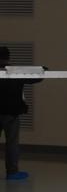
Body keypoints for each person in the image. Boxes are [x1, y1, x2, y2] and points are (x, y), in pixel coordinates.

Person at [0, 46, 42, 181]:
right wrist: (43, 69)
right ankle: (12, 172)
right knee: (12, 143)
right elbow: (37, 78)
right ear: (8, 57)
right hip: (11, 114)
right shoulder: (16, 72)